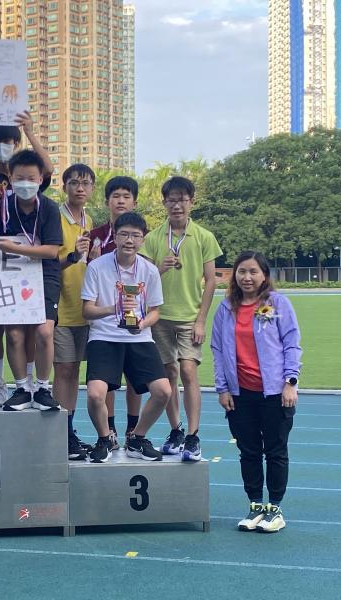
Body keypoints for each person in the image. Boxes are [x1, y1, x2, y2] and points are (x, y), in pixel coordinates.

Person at [211, 251, 301, 532]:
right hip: (240, 394)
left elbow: (292, 344)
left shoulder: (278, 304)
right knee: (248, 452)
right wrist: (222, 388)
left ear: (264, 275)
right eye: (241, 271)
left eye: (253, 272)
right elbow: (217, 350)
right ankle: (255, 506)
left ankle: (275, 508)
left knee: (275, 451)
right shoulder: (226, 308)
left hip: (274, 392)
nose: (247, 277)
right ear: (234, 275)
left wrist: (290, 381)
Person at [139, 176, 222, 461]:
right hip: (160, 316)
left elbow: (211, 281)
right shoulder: (152, 238)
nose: (177, 205)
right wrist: (159, 268)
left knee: (188, 371)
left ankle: (194, 436)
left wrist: (201, 320)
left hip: (189, 317)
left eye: (182, 199)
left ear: (191, 203)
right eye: (171, 200)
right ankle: (176, 430)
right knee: (169, 374)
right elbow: (142, 281)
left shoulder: (203, 236)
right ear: (164, 203)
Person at [82, 212, 171, 463]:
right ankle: (104, 438)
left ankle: (137, 438)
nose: (129, 240)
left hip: (139, 338)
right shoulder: (97, 267)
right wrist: (115, 308)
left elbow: (156, 311)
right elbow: (87, 310)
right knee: (95, 393)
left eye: (135, 235)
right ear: (116, 235)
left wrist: (141, 324)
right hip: (104, 336)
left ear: (142, 239)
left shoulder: (150, 270)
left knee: (163, 391)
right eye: (124, 234)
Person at [0, 114, 54, 407]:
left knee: (32, 328)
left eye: (7, 141)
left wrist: (31, 132)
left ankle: (33, 385)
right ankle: (0, 384)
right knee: (0, 329)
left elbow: (46, 169)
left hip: (31, 268)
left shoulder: (32, 181)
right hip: (0, 267)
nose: (1, 146)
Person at [0, 150, 61, 412]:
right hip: (11, 276)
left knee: (45, 332)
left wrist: (15, 248)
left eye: (31, 178)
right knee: (13, 335)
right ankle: (22, 387)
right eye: (19, 177)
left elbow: (52, 251)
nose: (25, 183)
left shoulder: (49, 207)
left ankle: (43, 388)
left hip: (45, 275)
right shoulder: (0, 206)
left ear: (41, 178)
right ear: (9, 177)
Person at [88, 175, 143, 448]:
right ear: (107, 201)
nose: (121, 201)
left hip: (134, 320)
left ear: (134, 201)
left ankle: (133, 427)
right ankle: (108, 429)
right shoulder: (95, 235)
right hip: (103, 318)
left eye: (126, 196)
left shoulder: (143, 234)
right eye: (116, 196)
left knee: (135, 375)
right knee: (106, 379)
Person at [53, 164, 96, 459]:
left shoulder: (88, 219)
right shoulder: (56, 217)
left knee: (76, 372)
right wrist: (73, 255)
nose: (80, 188)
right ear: (64, 186)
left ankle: (68, 429)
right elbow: (49, 262)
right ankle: (60, 433)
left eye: (86, 183)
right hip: (60, 306)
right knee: (64, 370)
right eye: (75, 183)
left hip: (85, 308)